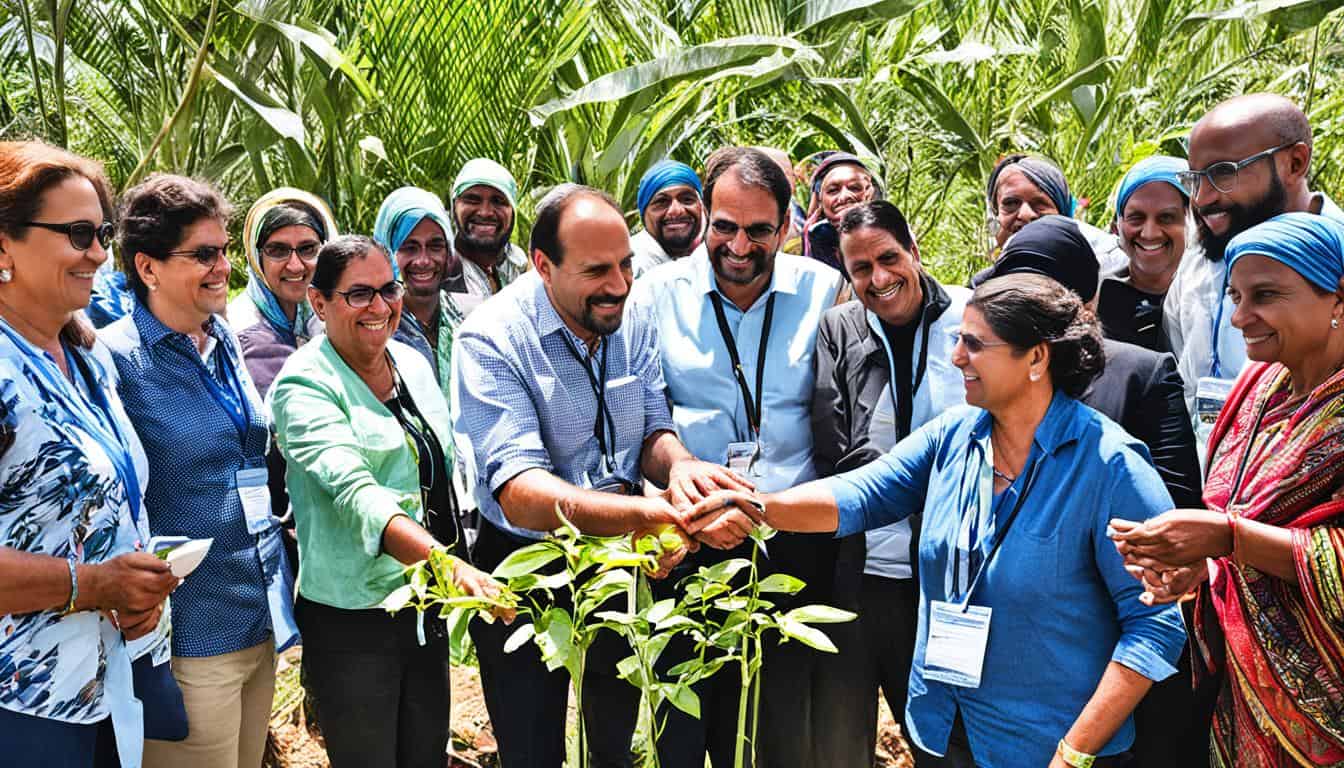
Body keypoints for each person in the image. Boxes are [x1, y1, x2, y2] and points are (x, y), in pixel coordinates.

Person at [702, 274, 1187, 767]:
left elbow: (1155, 627)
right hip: (944, 726)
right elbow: (861, 493)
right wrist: (758, 507)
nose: (957, 356)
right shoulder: (955, 435)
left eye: (975, 344)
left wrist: (1075, 753)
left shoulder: (1109, 465)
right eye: (958, 339)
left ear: (1037, 358)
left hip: (1050, 744)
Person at [452, 184, 753, 768]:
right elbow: (520, 493)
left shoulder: (631, 313)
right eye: (596, 271)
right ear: (543, 265)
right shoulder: (491, 337)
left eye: (625, 265)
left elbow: (651, 429)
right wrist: (647, 517)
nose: (617, 284)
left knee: (611, 736)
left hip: (616, 560)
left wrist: (683, 468)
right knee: (534, 742)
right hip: (526, 568)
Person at [630, 146, 843, 767]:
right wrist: (678, 497)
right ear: (705, 221)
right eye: (724, 226)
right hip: (688, 534)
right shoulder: (655, 294)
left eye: (758, 230)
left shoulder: (824, 289)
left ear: (786, 228)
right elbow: (646, 418)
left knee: (774, 728)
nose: (739, 245)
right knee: (683, 724)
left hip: (790, 532)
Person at [1111, 213, 1344, 767]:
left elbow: (1240, 528)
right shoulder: (1261, 387)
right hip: (1240, 698)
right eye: (1236, 296)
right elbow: (1233, 518)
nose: (1240, 317)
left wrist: (1228, 538)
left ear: (1337, 297)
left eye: (1265, 296)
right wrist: (1200, 565)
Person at [270, 235, 507, 768]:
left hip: (423, 606)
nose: (380, 307)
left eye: (388, 289)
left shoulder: (410, 363)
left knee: (423, 753)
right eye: (359, 295)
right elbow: (358, 492)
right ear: (319, 302)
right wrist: (446, 565)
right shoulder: (304, 386)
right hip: (353, 618)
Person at [983, 214, 1207, 764]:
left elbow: (1177, 505)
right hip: (1024, 639)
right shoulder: (991, 380)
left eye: (1043, 283)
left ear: (1085, 296)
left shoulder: (1139, 372)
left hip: (1117, 618)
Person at [99, 174, 295, 768]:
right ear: (149, 267)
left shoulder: (223, 339)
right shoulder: (115, 358)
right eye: (203, 255)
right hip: (188, 632)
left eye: (225, 250)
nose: (223, 267)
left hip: (257, 616)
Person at [0, 140, 177, 766]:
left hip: (103, 688)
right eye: (77, 233)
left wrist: (134, 583)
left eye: (101, 232)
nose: (99, 253)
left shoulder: (87, 357)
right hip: (20, 703)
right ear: (3, 245)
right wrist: (95, 583)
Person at [807, 200, 968, 766]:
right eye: (859, 269)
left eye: (889, 258)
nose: (878, 278)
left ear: (915, 251)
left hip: (948, 570)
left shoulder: (970, 318)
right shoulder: (839, 328)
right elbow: (833, 441)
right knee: (841, 737)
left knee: (944, 736)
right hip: (863, 565)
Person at [1162, 93, 1344, 462]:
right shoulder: (1201, 254)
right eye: (1195, 179)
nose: (1202, 198)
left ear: (1295, 163)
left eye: (1224, 173)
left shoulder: (1338, 259)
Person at [985, 215, 1203, 509]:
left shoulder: (1140, 375)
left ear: (1084, 302)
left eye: (1035, 298)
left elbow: (1177, 505)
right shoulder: (986, 375)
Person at [226, 188, 336, 397]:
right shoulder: (245, 331)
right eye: (278, 250)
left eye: (308, 249)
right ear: (257, 258)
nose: (295, 266)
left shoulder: (324, 315)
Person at [975, 154, 1126, 282]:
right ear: (995, 216)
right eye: (1011, 203)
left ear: (1063, 214)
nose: (1026, 215)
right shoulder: (983, 288)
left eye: (1040, 203)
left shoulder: (1107, 271)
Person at [373, 186, 467, 392]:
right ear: (386, 251)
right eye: (409, 247)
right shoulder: (373, 327)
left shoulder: (468, 318)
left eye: (435, 246)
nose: (423, 261)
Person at [1098, 156, 1189, 353]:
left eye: (1167, 218)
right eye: (1136, 218)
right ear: (1116, 227)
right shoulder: (1097, 298)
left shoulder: (1213, 299)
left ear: (1195, 223)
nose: (1149, 233)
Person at [447, 158, 529, 297]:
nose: (485, 212)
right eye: (472, 200)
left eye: (498, 201)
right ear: (454, 206)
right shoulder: (443, 273)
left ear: (513, 211)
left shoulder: (517, 262)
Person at [802, 151, 879, 272]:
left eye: (854, 188)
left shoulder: (892, 235)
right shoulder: (804, 246)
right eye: (833, 190)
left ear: (870, 194)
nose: (844, 197)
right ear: (820, 200)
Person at [631, 160, 704, 277]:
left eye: (687, 199)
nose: (676, 211)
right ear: (644, 214)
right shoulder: (635, 264)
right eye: (662, 202)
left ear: (702, 207)